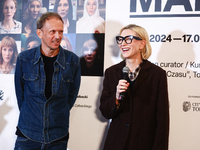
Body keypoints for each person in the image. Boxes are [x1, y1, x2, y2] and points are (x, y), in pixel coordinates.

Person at [14, 12, 81, 149]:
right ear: (40, 33)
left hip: (58, 137)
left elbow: (71, 97)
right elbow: (20, 96)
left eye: (61, 32)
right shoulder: (24, 59)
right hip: (27, 135)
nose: (58, 36)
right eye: (52, 32)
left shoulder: (72, 61)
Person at [99, 24, 169, 150]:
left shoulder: (157, 74)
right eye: (120, 40)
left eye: (128, 39)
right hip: (117, 143)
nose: (122, 44)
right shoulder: (111, 72)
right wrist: (116, 97)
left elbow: (162, 119)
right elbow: (105, 112)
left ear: (142, 44)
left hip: (144, 143)